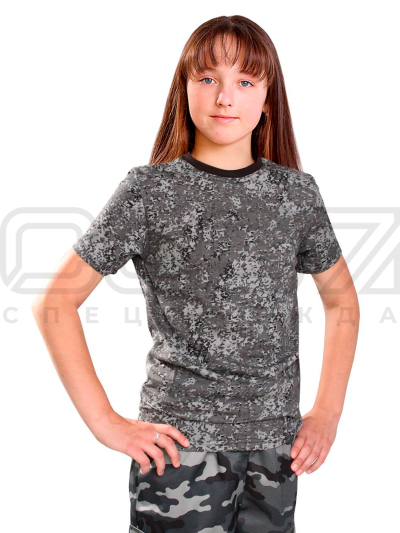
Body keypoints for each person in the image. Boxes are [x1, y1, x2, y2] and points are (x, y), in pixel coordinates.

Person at [32, 14, 360, 533]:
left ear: (268, 98)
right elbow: (54, 303)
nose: (225, 97)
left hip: (276, 448)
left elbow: (342, 301)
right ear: (183, 89)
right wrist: (105, 422)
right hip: (179, 449)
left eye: (245, 82)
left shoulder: (296, 195)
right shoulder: (149, 192)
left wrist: (327, 413)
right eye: (208, 78)